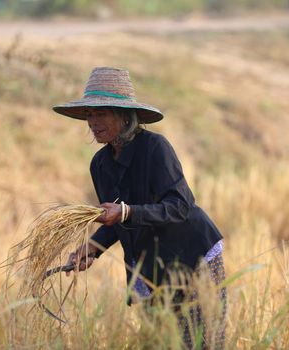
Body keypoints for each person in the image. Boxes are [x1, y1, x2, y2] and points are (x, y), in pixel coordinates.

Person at [53, 67, 226, 349]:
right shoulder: (100, 164)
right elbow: (117, 220)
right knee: (161, 341)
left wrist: (126, 212)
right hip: (149, 264)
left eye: (101, 113)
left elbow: (179, 205)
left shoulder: (155, 148)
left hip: (191, 254)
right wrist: (94, 247)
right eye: (89, 114)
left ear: (124, 116)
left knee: (200, 341)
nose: (93, 122)